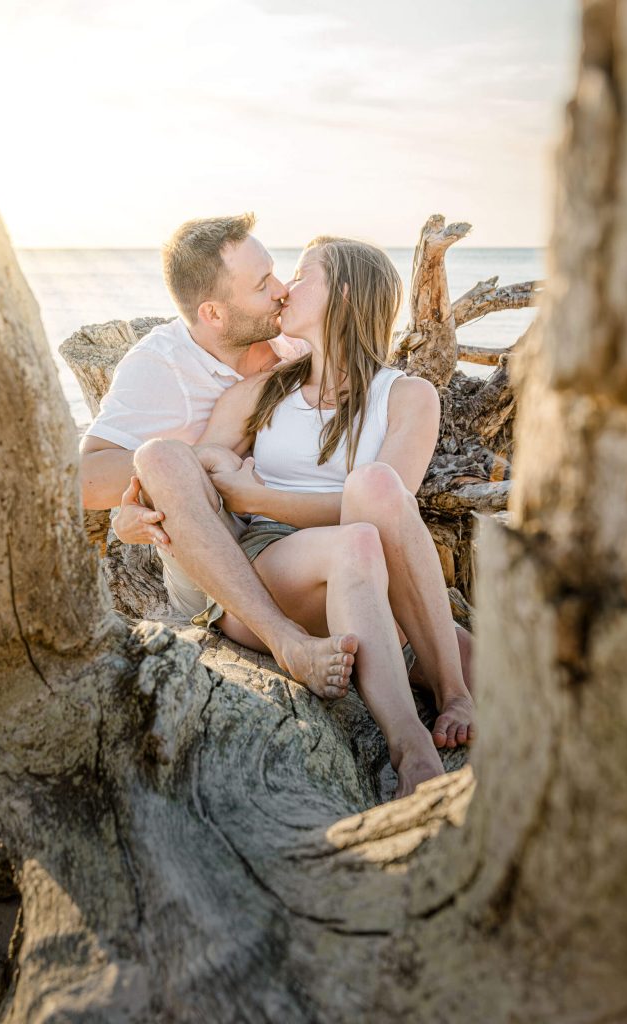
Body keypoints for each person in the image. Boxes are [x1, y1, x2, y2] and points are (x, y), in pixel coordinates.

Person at [184, 236, 474, 797]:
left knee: (374, 496)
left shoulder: (408, 395)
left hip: (378, 579)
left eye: (301, 274)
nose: (286, 288)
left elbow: (390, 507)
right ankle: (412, 738)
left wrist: (260, 495)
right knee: (360, 526)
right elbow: (205, 470)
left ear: (342, 291)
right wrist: (220, 477)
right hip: (278, 567)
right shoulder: (265, 391)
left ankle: (452, 689)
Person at [81, 214, 359, 696]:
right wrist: (184, 468)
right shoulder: (161, 366)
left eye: (274, 271)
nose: (280, 290)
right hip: (209, 556)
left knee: (441, 648)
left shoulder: (290, 338)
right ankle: (286, 641)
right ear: (213, 313)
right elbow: (83, 479)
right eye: (261, 285)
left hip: (294, 540)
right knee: (163, 456)